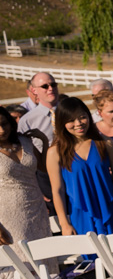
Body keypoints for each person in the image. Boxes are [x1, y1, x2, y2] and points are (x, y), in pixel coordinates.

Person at [47, 97, 113, 241]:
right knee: (95, 261)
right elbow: (58, 190)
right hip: (82, 215)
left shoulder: (105, 143)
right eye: (71, 120)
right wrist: (64, 223)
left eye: (82, 117)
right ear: (62, 123)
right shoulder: (55, 152)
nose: (78, 123)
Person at [0, 106, 53, 279]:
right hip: (8, 214)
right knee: (21, 262)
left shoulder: (25, 141)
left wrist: (44, 142)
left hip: (36, 209)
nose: (1, 129)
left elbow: (42, 167)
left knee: (44, 258)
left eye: (4, 123)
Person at [17, 72, 61, 212]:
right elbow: (24, 159)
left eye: (53, 84)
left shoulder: (72, 112)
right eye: (45, 86)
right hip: (46, 178)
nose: (50, 88)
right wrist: (36, 187)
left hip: (78, 171)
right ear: (34, 91)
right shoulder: (27, 121)